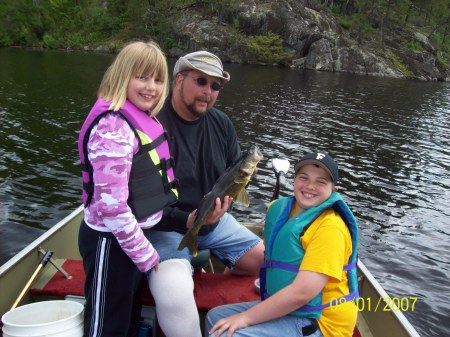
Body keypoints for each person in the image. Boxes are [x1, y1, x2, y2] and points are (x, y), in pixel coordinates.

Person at [145, 51, 265, 337]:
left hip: (214, 219)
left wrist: (232, 197)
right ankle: (172, 275)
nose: (208, 92)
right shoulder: (152, 124)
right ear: (178, 80)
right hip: (165, 225)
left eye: (215, 86)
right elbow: (143, 200)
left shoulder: (221, 123)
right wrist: (185, 221)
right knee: (174, 292)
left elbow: (234, 174)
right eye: (201, 81)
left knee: (265, 263)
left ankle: (211, 269)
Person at [77, 41, 177, 337]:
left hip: (129, 241)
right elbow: (112, 207)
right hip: (110, 242)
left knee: (128, 320)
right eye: (142, 77)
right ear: (122, 76)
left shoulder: (140, 118)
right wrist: (146, 255)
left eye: (158, 79)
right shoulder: (113, 128)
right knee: (107, 327)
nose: (151, 87)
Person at [205, 151, 359, 337]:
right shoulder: (283, 209)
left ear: (334, 189)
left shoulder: (331, 228)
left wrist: (245, 318)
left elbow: (302, 293)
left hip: (321, 322)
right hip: (293, 309)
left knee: (224, 334)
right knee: (215, 317)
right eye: (304, 178)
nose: (310, 186)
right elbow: (275, 253)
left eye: (321, 182)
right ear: (294, 180)